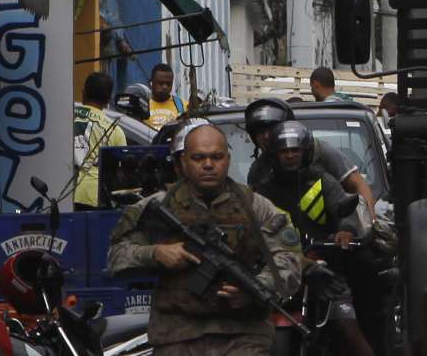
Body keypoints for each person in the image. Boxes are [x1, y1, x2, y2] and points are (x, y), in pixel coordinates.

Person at [106, 124, 302, 356]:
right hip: (176, 334)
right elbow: (116, 257)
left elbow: (290, 258)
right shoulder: (156, 207)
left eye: (216, 157)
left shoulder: (256, 207)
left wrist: (257, 287)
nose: (208, 165)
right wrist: (155, 253)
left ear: (228, 160)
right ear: (183, 162)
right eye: (198, 158)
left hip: (243, 334)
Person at [252, 121, 374, 356]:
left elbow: (343, 206)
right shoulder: (263, 188)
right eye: (284, 151)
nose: (289, 156)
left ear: (305, 152)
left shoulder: (322, 180)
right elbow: (253, 222)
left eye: (294, 150)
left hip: (324, 267)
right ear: (274, 155)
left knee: (347, 326)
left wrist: (345, 230)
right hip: (280, 268)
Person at [244, 98, 377, 212]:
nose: (266, 136)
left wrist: (370, 222)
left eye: (272, 128)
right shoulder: (259, 171)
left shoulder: (320, 151)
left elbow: (357, 184)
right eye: (260, 132)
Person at [74, 72, 126, 211]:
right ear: (109, 99)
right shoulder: (115, 130)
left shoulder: (65, 116)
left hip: (63, 192)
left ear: (83, 92)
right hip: (95, 195)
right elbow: (119, 171)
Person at [147, 63, 186, 130]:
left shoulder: (182, 106)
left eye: (168, 83)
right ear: (151, 82)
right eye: (160, 83)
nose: (165, 87)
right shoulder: (143, 105)